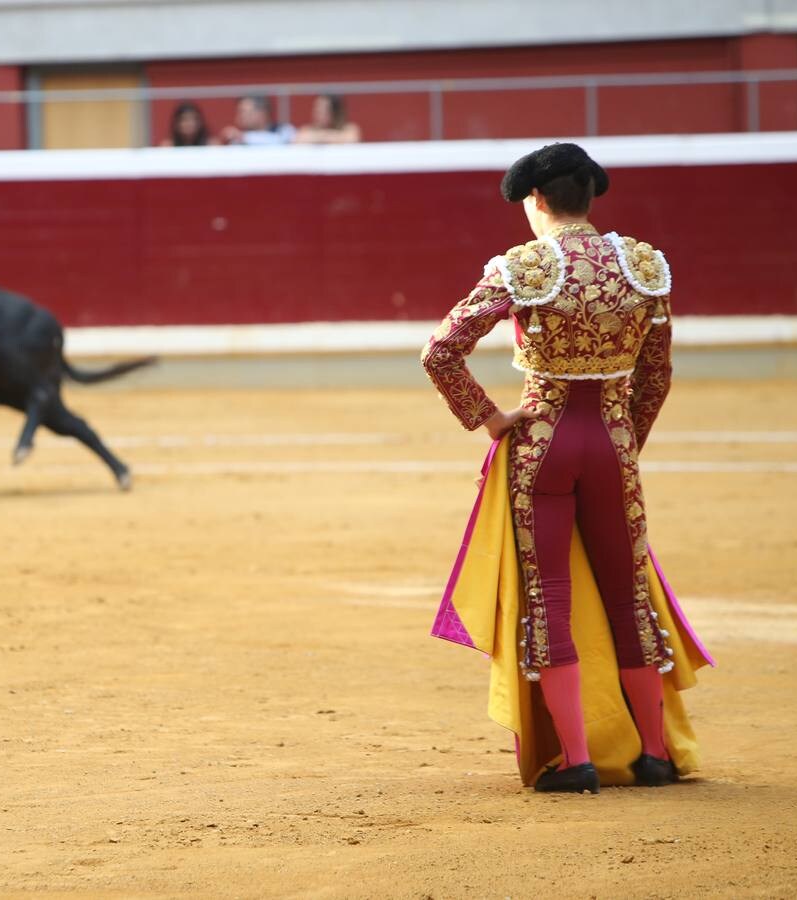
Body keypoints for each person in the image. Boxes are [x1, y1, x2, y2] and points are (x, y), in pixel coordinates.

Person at [421, 143, 712, 794]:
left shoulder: (523, 266)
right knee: (627, 594)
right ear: (589, 196)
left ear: (538, 202)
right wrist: (623, 441)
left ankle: (576, 761)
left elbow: (440, 352)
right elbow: (656, 375)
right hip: (612, 441)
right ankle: (655, 755)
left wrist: (490, 418)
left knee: (550, 598)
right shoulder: (642, 265)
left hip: (544, 439)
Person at [219, 96, 294, 146]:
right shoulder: (238, 140)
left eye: (244, 112)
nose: (241, 117)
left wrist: (244, 138)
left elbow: (281, 142)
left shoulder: (284, 129)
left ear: (262, 113)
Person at [294, 94, 360, 144]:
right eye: (317, 109)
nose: (317, 114)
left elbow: (352, 139)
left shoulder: (349, 128)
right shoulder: (307, 129)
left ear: (335, 112)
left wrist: (320, 137)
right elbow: (297, 139)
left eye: (323, 110)